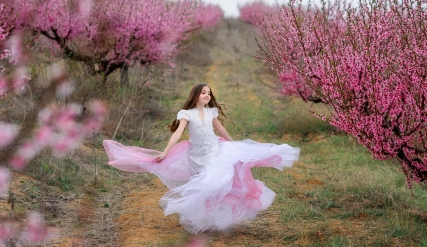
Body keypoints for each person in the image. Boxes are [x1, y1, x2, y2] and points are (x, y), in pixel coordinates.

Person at [103, 84, 300, 234]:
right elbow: (177, 134)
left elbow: (220, 129)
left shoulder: (211, 111)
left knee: (218, 181)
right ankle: (202, 218)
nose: (207, 95)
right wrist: (164, 152)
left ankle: (214, 217)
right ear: (196, 95)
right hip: (197, 155)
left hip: (216, 149)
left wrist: (235, 144)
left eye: (209, 93)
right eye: (203, 92)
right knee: (205, 185)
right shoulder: (186, 114)